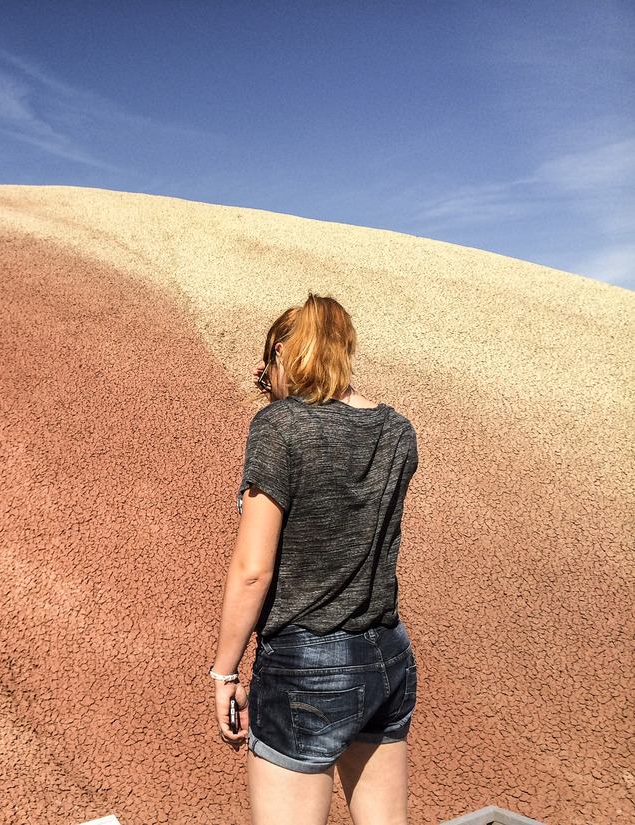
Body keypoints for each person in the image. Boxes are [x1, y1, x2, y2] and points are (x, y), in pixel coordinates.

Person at [210, 292, 420, 825]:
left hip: (307, 664)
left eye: (266, 373)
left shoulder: (280, 427)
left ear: (284, 353)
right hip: (387, 655)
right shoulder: (397, 433)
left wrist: (224, 672)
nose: (267, 386)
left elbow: (252, 569)